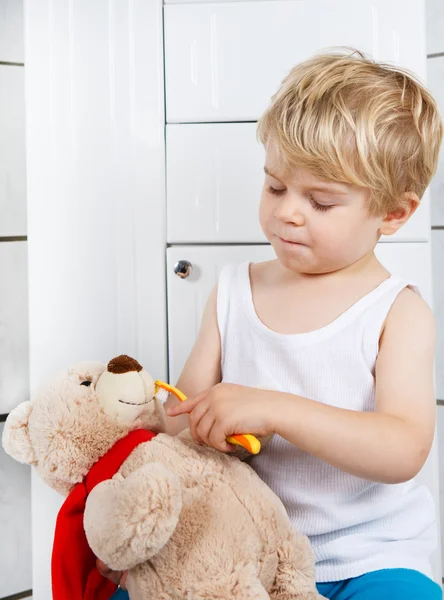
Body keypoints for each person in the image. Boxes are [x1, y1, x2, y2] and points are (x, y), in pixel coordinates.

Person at [103, 48, 443, 599]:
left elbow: (402, 449)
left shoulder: (396, 311)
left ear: (393, 213)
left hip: (370, 556)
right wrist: (210, 432)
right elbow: (181, 421)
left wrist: (277, 409)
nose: (287, 212)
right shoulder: (235, 292)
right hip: (245, 548)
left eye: (322, 202)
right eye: (276, 186)